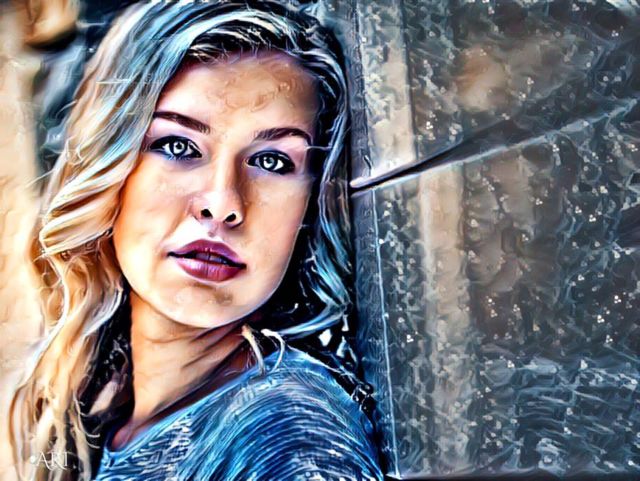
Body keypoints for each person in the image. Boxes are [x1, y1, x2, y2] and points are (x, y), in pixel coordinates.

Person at [7, 2, 383, 480]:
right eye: (178, 146)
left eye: (271, 161)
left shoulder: (287, 435)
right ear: (109, 167)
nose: (222, 204)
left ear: (310, 208)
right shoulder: (104, 415)